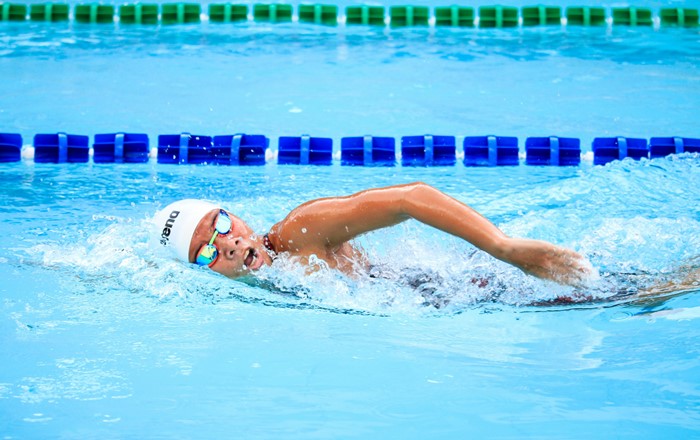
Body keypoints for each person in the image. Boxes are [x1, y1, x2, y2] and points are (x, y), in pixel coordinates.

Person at [153, 182, 593, 287]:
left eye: (222, 225)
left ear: (240, 221)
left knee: (608, 292)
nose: (226, 243)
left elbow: (411, 198)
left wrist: (505, 248)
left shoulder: (299, 231)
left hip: (448, 290)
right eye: (206, 249)